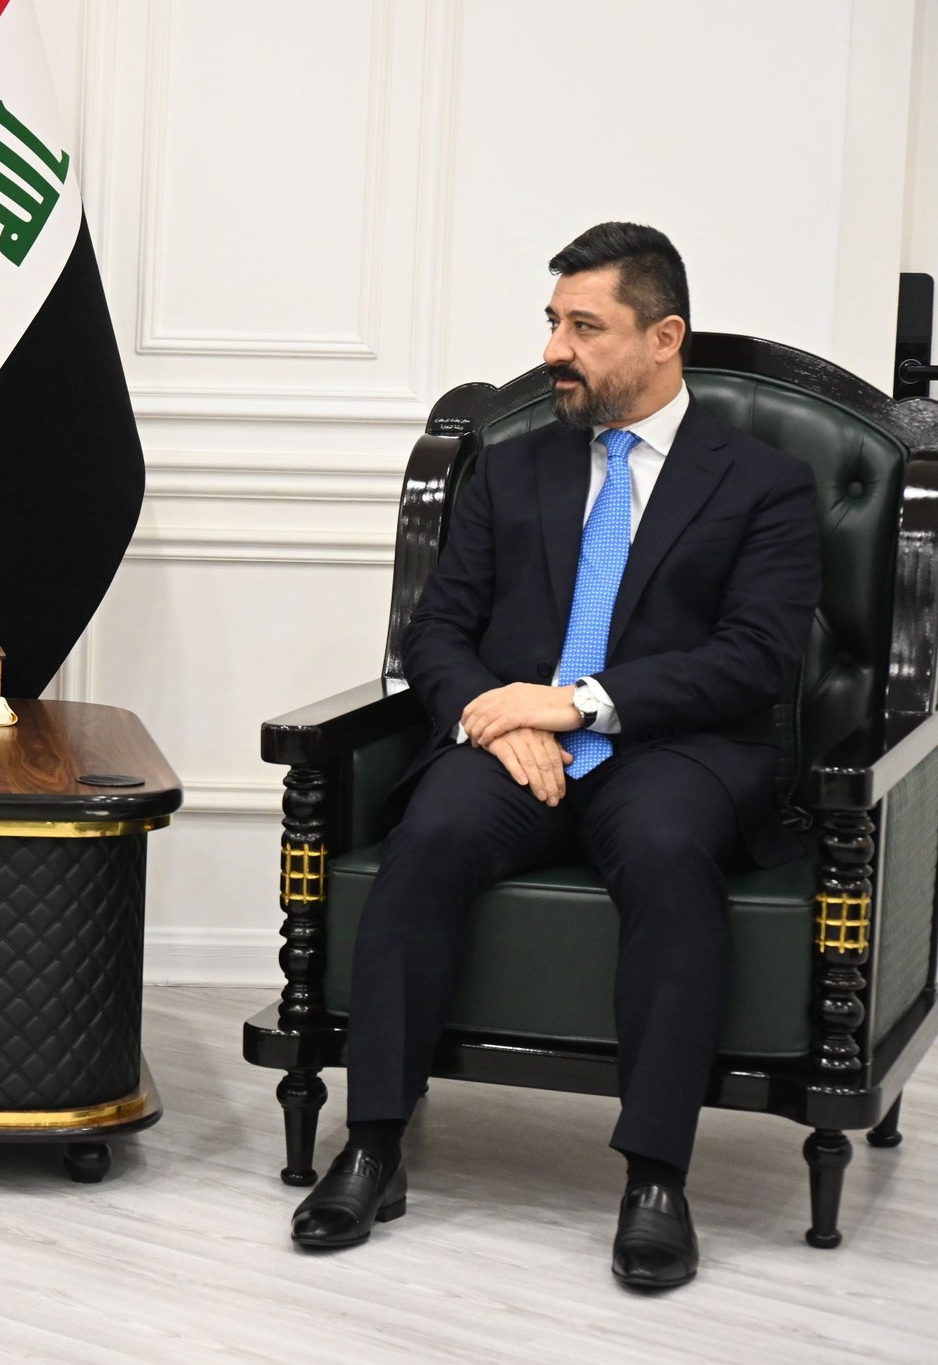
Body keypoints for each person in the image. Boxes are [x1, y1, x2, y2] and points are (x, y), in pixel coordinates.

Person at [288, 222, 821, 1290]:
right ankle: (374, 1144)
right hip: (512, 744)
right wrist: (500, 714)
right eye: (550, 322)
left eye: (584, 327)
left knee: (667, 852)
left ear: (662, 336)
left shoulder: (763, 483)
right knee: (431, 832)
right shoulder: (511, 467)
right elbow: (437, 632)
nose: (552, 351)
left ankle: (655, 1178)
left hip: (669, 750)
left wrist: (577, 703)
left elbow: (754, 659)